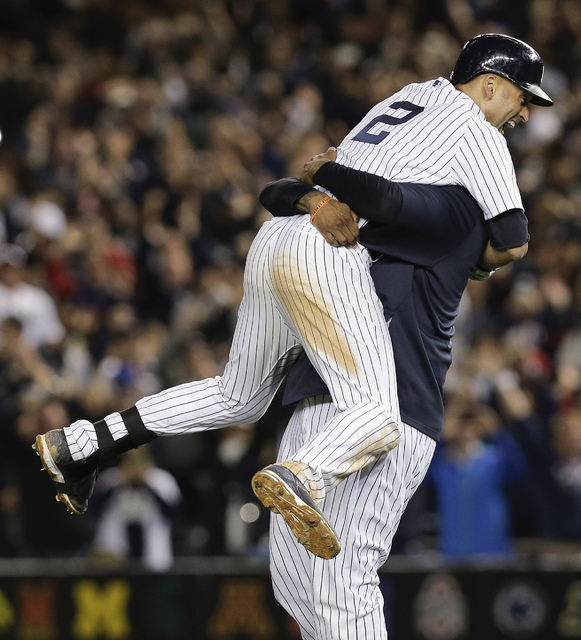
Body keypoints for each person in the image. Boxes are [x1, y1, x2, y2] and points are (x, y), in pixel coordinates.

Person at [33, 33, 550, 563]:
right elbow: (513, 241)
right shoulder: (475, 128)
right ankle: (304, 475)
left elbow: (300, 179)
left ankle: (84, 444)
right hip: (327, 253)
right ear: (489, 85)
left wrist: (317, 188)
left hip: (283, 231)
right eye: (523, 97)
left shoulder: (404, 97)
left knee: (239, 394)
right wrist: (477, 259)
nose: (526, 113)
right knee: (378, 412)